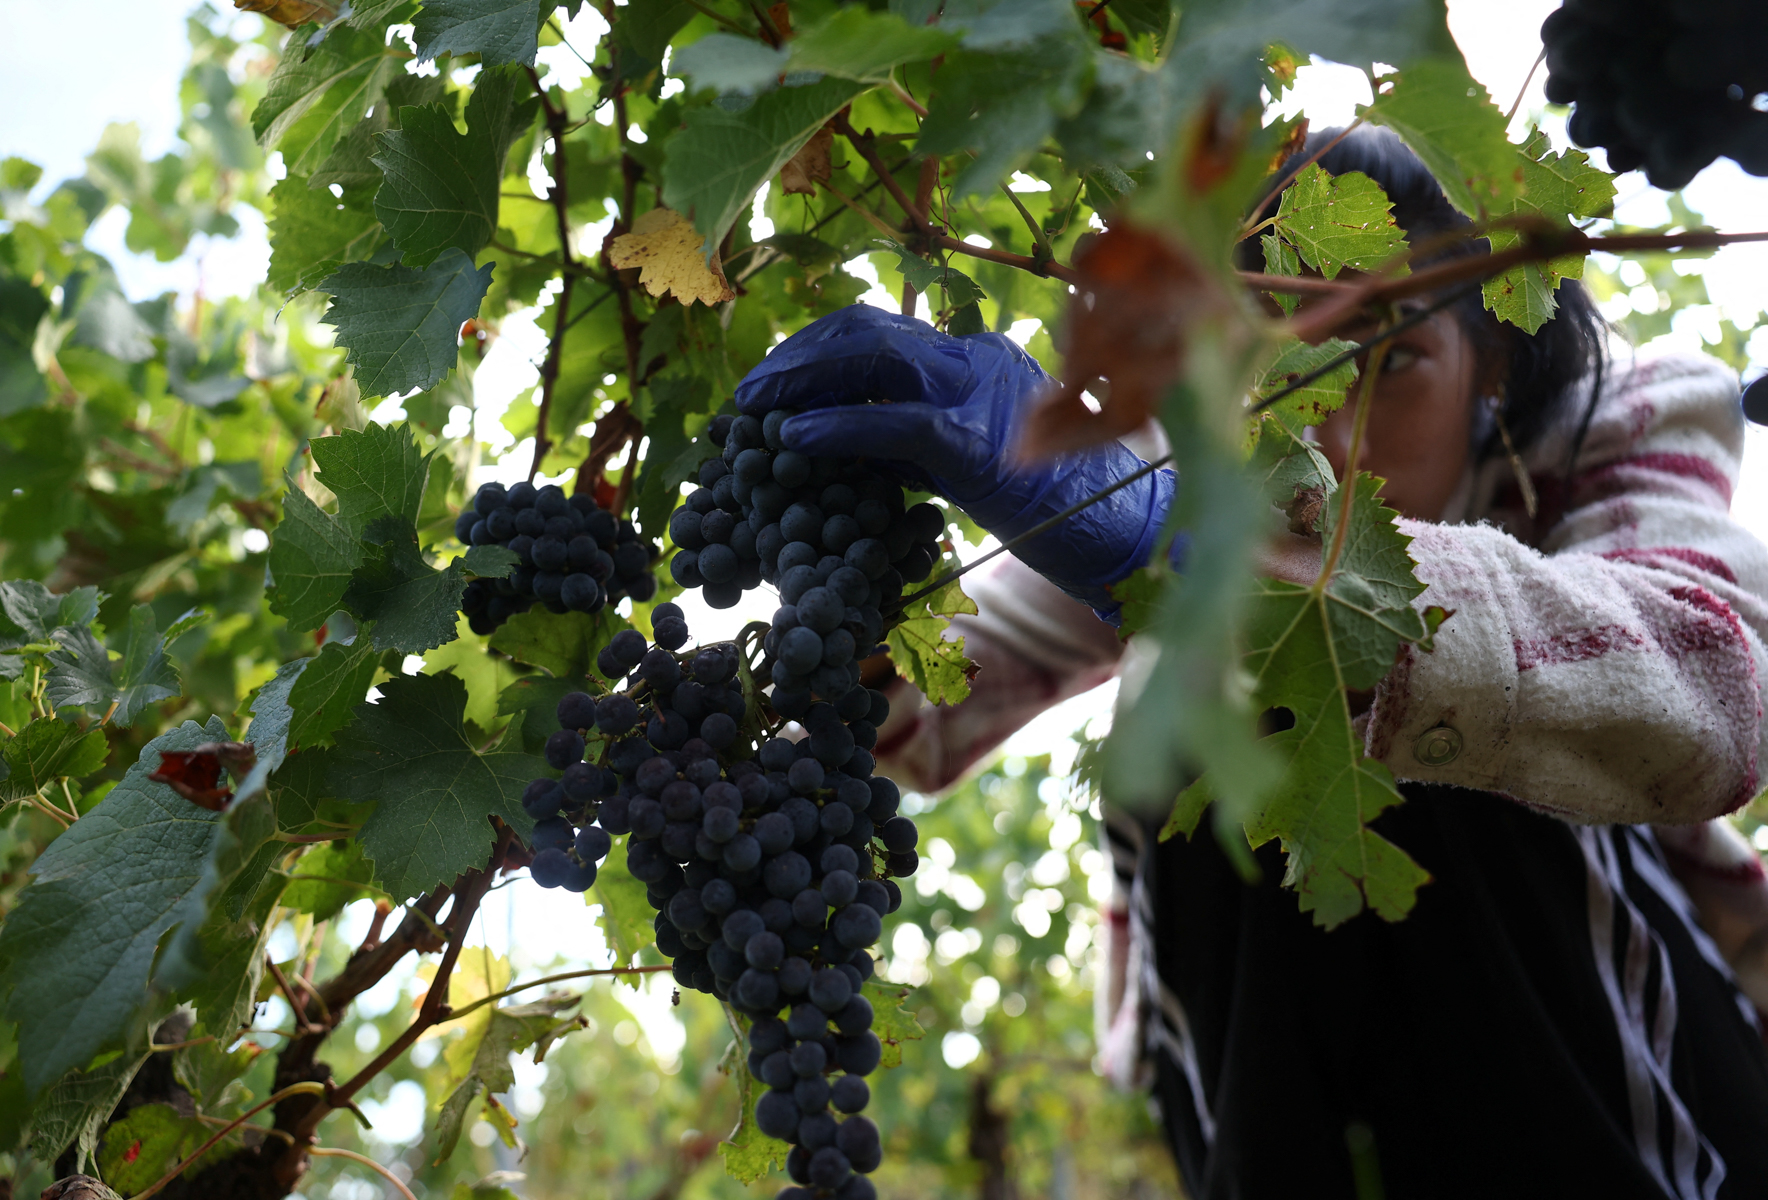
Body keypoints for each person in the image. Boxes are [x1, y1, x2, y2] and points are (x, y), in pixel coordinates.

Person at [733, 125, 1768, 1199]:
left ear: (1495, 365)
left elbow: (1718, 684)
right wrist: (822, 631)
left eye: (1393, 359)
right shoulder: (1199, 482)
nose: (1335, 437)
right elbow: (922, 707)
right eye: (1276, 372)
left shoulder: (1619, 424)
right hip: (1280, 1100)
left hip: (1652, 1088)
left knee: (1332, 682)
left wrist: (1215, 567)